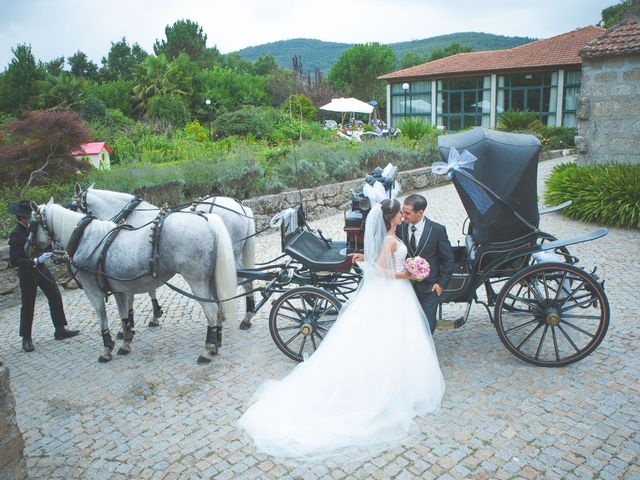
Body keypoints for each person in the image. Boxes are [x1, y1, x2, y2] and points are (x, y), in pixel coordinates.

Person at [238, 199, 445, 461]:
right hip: (395, 289)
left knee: (394, 337)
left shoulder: (394, 235)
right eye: (400, 214)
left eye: (406, 213)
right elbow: (383, 270)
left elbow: (383, 258)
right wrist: (410, 275)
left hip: (398, 293)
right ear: (391, 218)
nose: (403, 217)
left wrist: (370, 258)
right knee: (389, 336)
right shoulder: (391, 239)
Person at [8, 200, 79, 353]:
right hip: (27, 272)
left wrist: (52, 247)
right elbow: (15, 260)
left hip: (41, 268)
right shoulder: (16, 234)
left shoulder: (33, 228)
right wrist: (34, 261)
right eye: (28, 217)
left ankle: (59, 329)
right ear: (22, 218)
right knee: (28, 304)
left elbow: (42, 242)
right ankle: (26, 338)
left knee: (54, 294)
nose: (30, 219)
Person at [397, 194, 455, 334]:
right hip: (406, 287)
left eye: (407, 213)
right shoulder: (400, 228)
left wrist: (441, 284)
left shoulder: (437, 230)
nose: (403, 216)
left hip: (430, 287)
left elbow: (448, 259)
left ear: (420, 212)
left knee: (428, 325)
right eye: (403, 211)